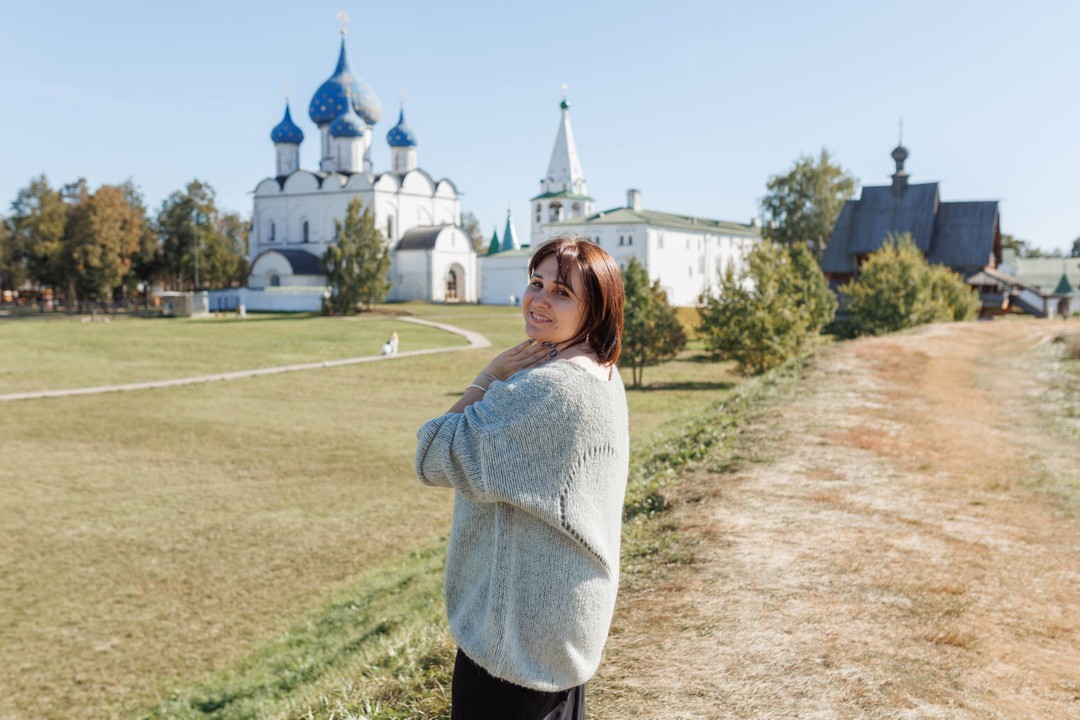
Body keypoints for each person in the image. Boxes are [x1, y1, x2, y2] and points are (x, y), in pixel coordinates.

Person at [415, 234, 629, 719]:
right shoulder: (602, 372)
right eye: (537, 282)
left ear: (595, 310)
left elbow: (431, 453)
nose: (540, 299)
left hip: (515, 645)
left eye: (563, 292)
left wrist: (487, 376)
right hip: (557, 631)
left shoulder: (550, 390)